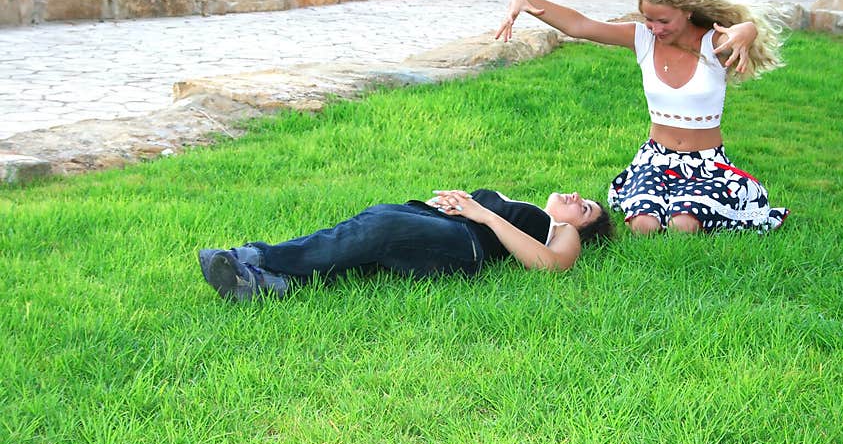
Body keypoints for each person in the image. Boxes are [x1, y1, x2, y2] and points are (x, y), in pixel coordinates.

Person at [495, 0, 790, 235]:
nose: (656, 28)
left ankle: (700, 204)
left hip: (707, 165)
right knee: (644, 226)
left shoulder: (712, 43)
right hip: (655, 159)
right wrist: (525, 1)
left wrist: (747, 32)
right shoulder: (642, 39)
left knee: (683, 224)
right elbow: (580, 25)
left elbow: (745, 29)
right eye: (649, 19)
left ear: (687, 10)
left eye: (663, 20)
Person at [198, 188, 613, 302]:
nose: (578, 200)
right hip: (444, 224)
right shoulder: (524, 206)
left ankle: (254, 260)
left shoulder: (564, 231)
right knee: (375, 224)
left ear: (583, 227)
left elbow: (553, 265)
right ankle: (275, 283)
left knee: (383, 224)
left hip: (465, 247)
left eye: (587, 208)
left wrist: (483, 215)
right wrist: (451, 203)